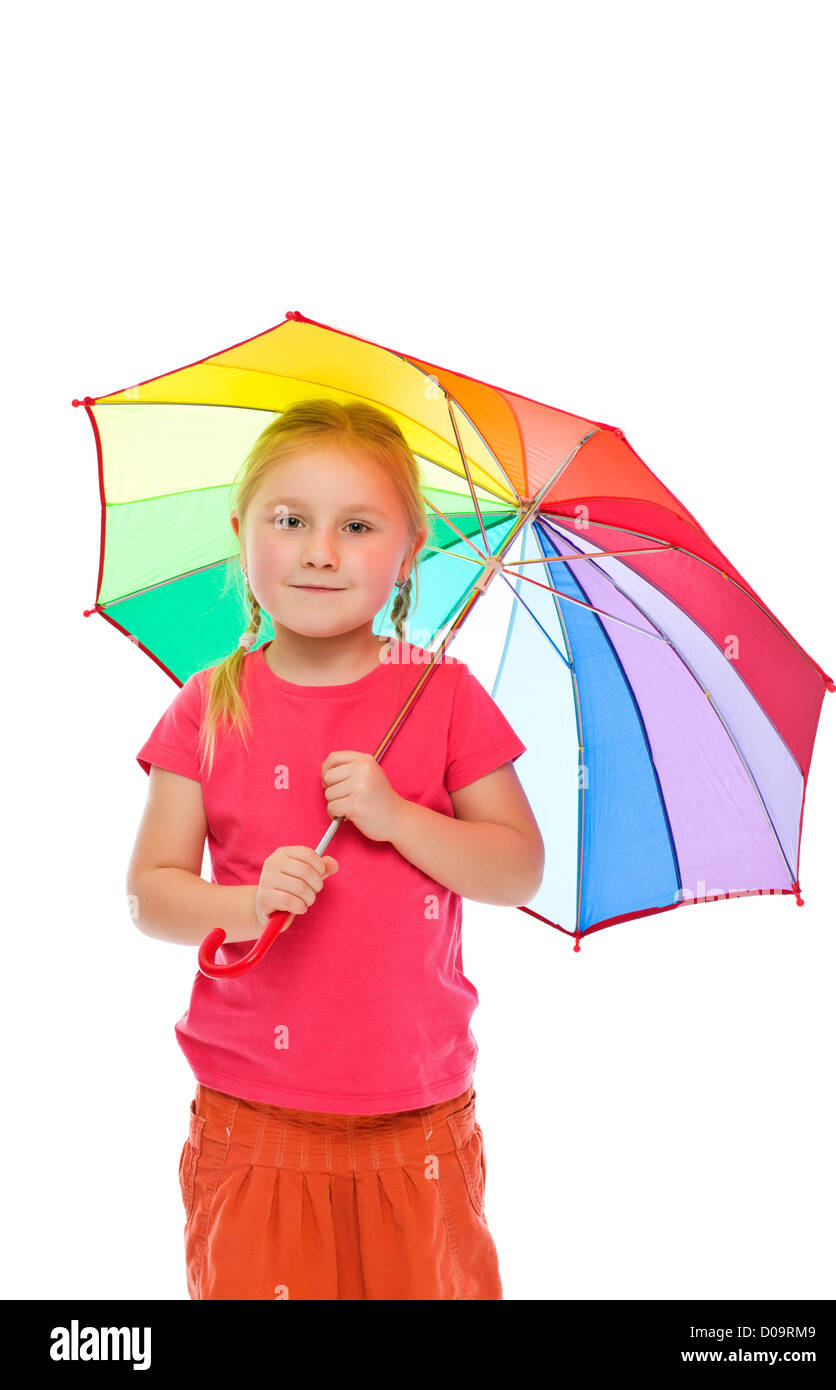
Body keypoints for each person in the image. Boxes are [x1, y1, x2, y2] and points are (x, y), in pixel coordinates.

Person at [127, 397, 544, 1300]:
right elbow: (150, 893)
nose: (320, 550)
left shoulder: (443, 699)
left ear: (410, 550)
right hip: (254, 1122)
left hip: (418, 1124)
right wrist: (244, 903)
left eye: (357, 525)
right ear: (243, 533)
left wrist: (399, 819)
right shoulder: (210, 704)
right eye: (291, 521)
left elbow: (517, 868)